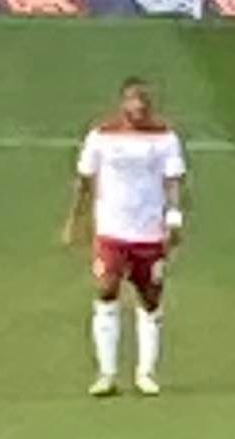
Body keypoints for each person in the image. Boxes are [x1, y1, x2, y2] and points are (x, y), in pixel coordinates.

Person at [65, 80, 189, 398]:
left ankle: (145, 373)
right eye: (133, 101)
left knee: (149, 299)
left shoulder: (165, 138)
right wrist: (75, 220)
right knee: (106, 290)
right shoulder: (101, 135)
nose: (139, 107)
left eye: (144, 101)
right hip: (111, 229)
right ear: (123, 103)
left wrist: (174, 219)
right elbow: (84, 179)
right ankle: (106, 373)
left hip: (149, 232)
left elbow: (173, 181)